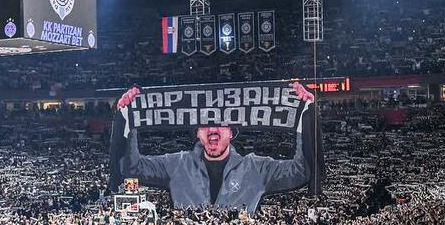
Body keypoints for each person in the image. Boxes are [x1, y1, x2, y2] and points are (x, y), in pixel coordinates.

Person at [115, 81, 315, 213]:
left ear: (231, 132)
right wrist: (128, 119)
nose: (212, 129)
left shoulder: (257, 168)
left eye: (220, 123)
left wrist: (303, 116)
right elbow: (133, 169)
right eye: (205, 124)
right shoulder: (176, 163)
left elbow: (300, 172)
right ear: (197, 132)